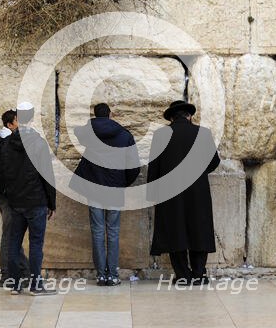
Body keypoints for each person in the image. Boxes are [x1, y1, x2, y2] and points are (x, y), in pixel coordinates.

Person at [148, 100, 220, 285]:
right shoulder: (203, 133)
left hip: (170, 191)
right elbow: (214, 162)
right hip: (198, 190)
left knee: (175, 230)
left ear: (171, 117)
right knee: (199, 228)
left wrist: (153, 194)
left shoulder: (161, 135)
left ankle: (183, 275)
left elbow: (154, 167)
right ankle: (198, 274)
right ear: (189, 116)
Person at [72, 103, 140, 286]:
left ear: (95, 115)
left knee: (97, 230)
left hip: (94, 187)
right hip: (114, 188)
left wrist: (90, 124)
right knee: (113, 231)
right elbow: (134, 166)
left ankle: (101, 275)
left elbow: (77, 132)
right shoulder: (125, 135)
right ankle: (113, 275)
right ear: (111, 114)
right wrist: (122, 183)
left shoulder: (88, 133)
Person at [0, 102, 56, 295]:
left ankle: (15, 284)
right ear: (31, 118)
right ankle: (35, 285)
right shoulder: (38, 142)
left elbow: (5, 173)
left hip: (15, 201)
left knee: (14, 243)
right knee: (36, 244)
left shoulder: (7, 144)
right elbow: (47, 174)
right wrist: (51, 202)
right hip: (35, 200)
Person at [0, 109, 30, 287]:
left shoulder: (5, 138)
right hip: (4, 192)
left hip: (4, 191)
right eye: (19, 121)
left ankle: (23, 271)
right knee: (10, 233)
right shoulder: (5, 141)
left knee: (12, 231)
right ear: (10, 124)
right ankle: (9, 274)